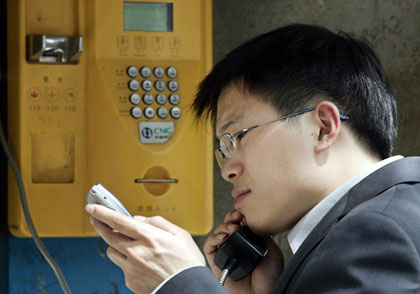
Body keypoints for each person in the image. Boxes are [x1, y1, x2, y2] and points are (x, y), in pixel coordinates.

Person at [85, 24, 420, 293]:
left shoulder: (374, 233)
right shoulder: (388, 214)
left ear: (322, 128)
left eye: (237, 137)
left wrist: (181, 282)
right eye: (223, 150)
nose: (227, 171)